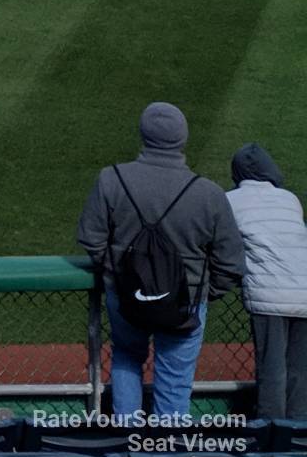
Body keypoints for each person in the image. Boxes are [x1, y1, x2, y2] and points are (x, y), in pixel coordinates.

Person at [77, 101, 245, 419]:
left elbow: (91, 238)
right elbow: (231, 262)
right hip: (186, 302)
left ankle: (130, 444)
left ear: (144, 135)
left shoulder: (111, 179)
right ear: (182, 139)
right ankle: (167, 455)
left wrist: (116, 274)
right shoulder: (208, 193)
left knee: (127, 356)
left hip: (126, 296)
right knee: (176, 380)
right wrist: (204, 292)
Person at [229, 145, 307, 419]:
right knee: (300, 371)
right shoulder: (290, 198)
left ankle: (271, 438)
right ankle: (298, 438)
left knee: (272, 369)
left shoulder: (230, 200)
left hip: (269, 294)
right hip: (305, 291)